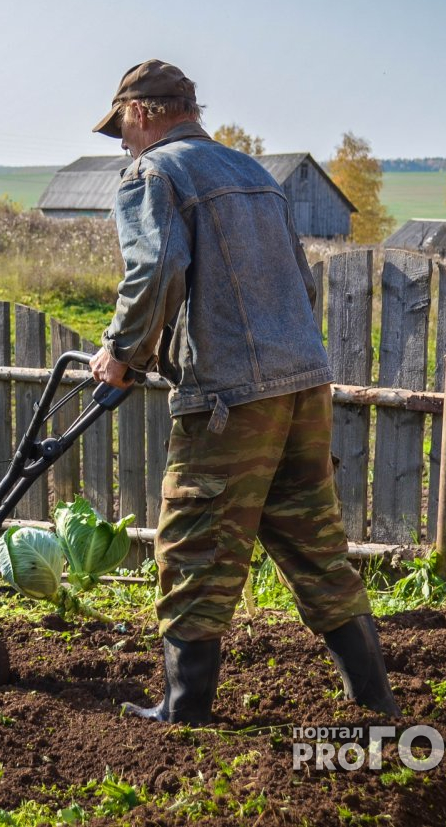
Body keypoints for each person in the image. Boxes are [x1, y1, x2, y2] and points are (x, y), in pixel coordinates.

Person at [88, 59, 400, 725]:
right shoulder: (257, 175)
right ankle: (375, 700)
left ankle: (183, 709)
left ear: (143, 113)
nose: (122, 143)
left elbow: (155, 269)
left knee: (194, 543)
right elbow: (299, 281)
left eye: (122, 127)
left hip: (230, 396)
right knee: (315, 542)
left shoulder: (155, 172)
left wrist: (122, 353)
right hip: (304, 384)